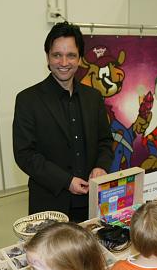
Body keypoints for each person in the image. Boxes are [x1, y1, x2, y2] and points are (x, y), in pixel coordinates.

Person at [13, 22, 113, 222]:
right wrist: (66, 181)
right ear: (47, 57)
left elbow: (105, 141)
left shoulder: (93, 97)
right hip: (50, 203)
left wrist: (101, 166)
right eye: (57, 55)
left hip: (92, 202)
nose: (64, 62)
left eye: (71, 55)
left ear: (80, 59)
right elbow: (25, 155)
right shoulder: (28, 100)